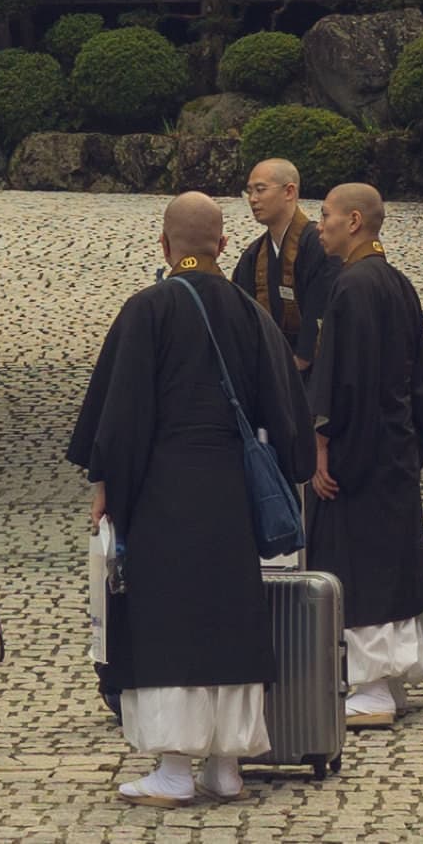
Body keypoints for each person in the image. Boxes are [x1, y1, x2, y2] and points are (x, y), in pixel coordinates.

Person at [68, 191, 316, 807]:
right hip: (229, 491)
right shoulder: (250, 313)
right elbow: (288, 416)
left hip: (163, 490)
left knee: (168, 618)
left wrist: (108, 488)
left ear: (163, 244)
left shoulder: (147, 310)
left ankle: (176, 767)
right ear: (223, 245)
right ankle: (226, 765)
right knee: (227, 615)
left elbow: (121, 419)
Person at [304, 182, 423, 730]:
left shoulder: (352, 288)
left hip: (360, 451)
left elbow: (345, 381)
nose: (320, 225)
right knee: (392, 560)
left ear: (355, 221)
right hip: (396, 446)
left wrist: (323, 446)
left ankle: (374, 685)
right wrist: (410, 444)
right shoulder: (397, 284)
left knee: (359, 561)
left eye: (327, 216)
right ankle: (391, 682)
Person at [232, 158, 338, 372]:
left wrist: (300, 359)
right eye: (249, 191)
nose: (253, 199)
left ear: (289, 192)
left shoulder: (318, 246)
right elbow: (241, 311)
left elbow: (323, 307)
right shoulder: (253, 255)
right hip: (271, 363)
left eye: (260, 190)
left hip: (315, 369)